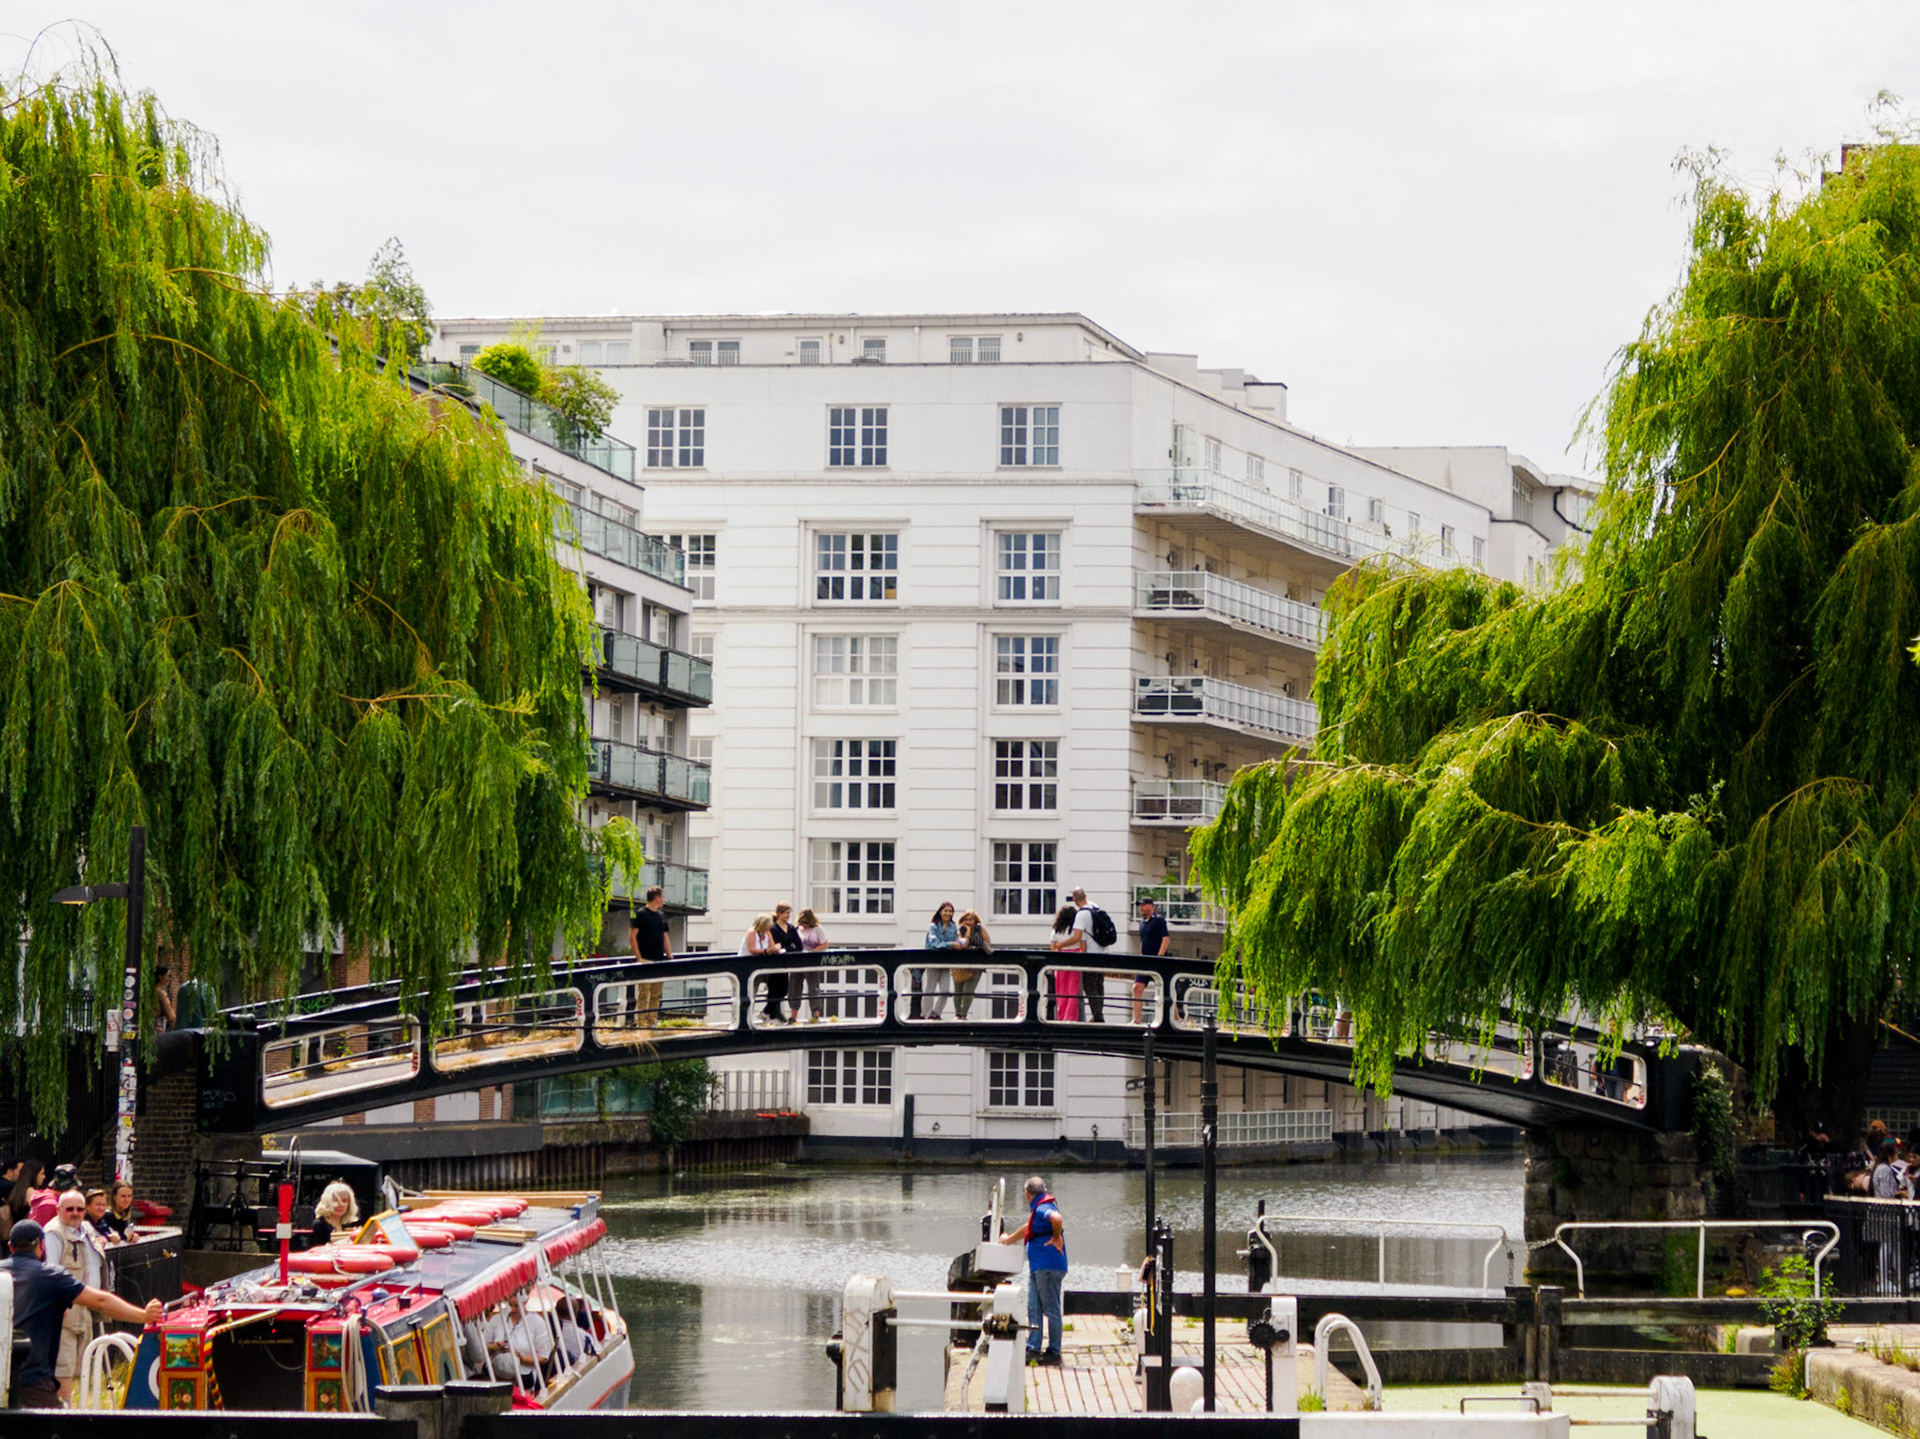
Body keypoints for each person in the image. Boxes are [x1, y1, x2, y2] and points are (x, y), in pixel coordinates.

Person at [3, 1219, 162, 1409]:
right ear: (42, 1245)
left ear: (10, 1247)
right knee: (59, 1424)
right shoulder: (50, 1276)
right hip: (31, 1380)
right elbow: (100, 1302)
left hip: (4, 1372)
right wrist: (143, 1315)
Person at [45, 1189, 108, 1401]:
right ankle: (62, 1413)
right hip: (64, 1310)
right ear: (58, 1210)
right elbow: (51, 1271)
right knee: (63, 1367)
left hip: (86, 1308)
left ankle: (73, 1409)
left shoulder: (86, 1229)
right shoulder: (53, 1233)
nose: (75, 1213)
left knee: (80, 1368)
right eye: (69, 1209)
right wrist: (58, 1304)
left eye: (80, 1209)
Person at [998, 1175, 1067, 1367]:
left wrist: (1056, 1237)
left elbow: (1056, 1218)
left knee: (1051, 1309)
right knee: (1033, 1307)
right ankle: (1033, 1348)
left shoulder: (1044, 1208)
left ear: (1027, 1194)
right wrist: (1008, 1240)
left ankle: (1054, 1352)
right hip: (1038, 1268)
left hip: (1048, 1267)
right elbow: (1028, 1229)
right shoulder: (1039, 1208)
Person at [626, 885, 672, 1033]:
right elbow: (632, 936)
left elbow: (665, 937)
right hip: (645, 959)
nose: (663, 899)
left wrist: (670, 956)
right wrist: (638, 957)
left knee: (656, 994)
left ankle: (652, 1021)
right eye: (662, 896)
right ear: (656, 898)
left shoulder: (661, 916)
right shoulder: (640, 914)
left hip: (659, 960)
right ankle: (641, 1023)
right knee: (643, 993)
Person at [1069, 888, 1115, 1023]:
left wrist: (1060, 945)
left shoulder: (1081, 914)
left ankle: (1098, 1016)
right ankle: (1098, 1014)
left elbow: (1077, 937)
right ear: (1085, 896)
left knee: (1089, 985)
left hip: (1091, 954)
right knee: (1099, 984)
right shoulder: (1095, 906)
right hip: (1103, 952)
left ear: (1074, 899)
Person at [922, 903, 964, 1020]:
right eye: (946, 911)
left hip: (945, 962)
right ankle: (926, 1014)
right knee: (930, 989)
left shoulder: (953, 927)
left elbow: (957, 940)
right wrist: (950, 944)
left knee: (945, 991)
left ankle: (936, 1013)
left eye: (950, 911)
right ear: (940, 912)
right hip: (933, 961)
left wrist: (961, 942)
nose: (948, 913)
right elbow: (934, 944)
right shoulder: (933, 926)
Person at [740, 915, 782, 1023]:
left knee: (777, 987)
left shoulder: (767, 933)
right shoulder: (752, 933)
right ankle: (747, 1019)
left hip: (762, 966)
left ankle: (770, 1014)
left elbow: (772, 946)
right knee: (751, 993)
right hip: (749, 966)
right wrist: (766, 951)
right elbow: (752, 949)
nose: (769, 927)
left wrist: (776, 949)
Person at [1136, 896, 1171, 1023]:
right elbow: (1142, 941)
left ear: (1151, 906)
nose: (1141, 908)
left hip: (1157, 962)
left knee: (1165, 992)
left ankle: (1176, 1017)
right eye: (1140, 905)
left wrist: (1159, 957)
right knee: (1137, 987)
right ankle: (1136, 1020)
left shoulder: (1159, 921)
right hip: (1145, 962)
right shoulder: (1142, 923)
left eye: (1144, 905)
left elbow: (1165, 939)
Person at [768, 903, 804, 1024]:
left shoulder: (791, 928)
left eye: (789, 913)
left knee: (783, 990)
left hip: (786, 963)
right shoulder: (773, 928)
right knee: (774, 988)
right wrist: (789, 948)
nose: (788, 915)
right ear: (779, 913)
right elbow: (776, 945)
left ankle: (769, 1012)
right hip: (775, 963)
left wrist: (786, 949)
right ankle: (773, 1015)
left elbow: (799, 946)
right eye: (786, 913)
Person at [1048, 904, 1084, 1021]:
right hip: (1075, 958)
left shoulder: (1056, 930)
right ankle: (1070, 1017)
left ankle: (1061, 1016)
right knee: (1073, 990)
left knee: (1061, 990)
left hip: (1061, 959)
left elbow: (1053, 947)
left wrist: (1060, 948)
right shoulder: (1075, 930)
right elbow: (1082, 943)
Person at [953, 910, 991, 1020]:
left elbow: (988, 942)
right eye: (966, 920)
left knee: (968, 990)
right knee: (958, 990)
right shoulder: (960, 930)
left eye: (971, 920)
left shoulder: (980, 929)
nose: (968, 922)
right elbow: (963, 944)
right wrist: (968, 932)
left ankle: (963, 1014)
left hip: (976, 964)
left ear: (975, 921)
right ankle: (957, 1014)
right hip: (961, 964)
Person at [796, 908, 829, 1022]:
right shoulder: (797, 929)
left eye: (806, 922)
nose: (804, 925)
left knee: (813, 987)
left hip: (812, 960)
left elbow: (825, 944)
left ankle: (815, 1016)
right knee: (795, 986)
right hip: (799, 960)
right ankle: (793, 1016)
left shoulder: (817, 929)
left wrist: (814, 951)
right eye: (801, 922)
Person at [311, 1181, 359, 1246]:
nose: (340, 1204)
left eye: (344, 1201)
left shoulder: (346, 1226)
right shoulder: (318, 1225)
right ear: (327, 1202)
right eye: (335, 1200)